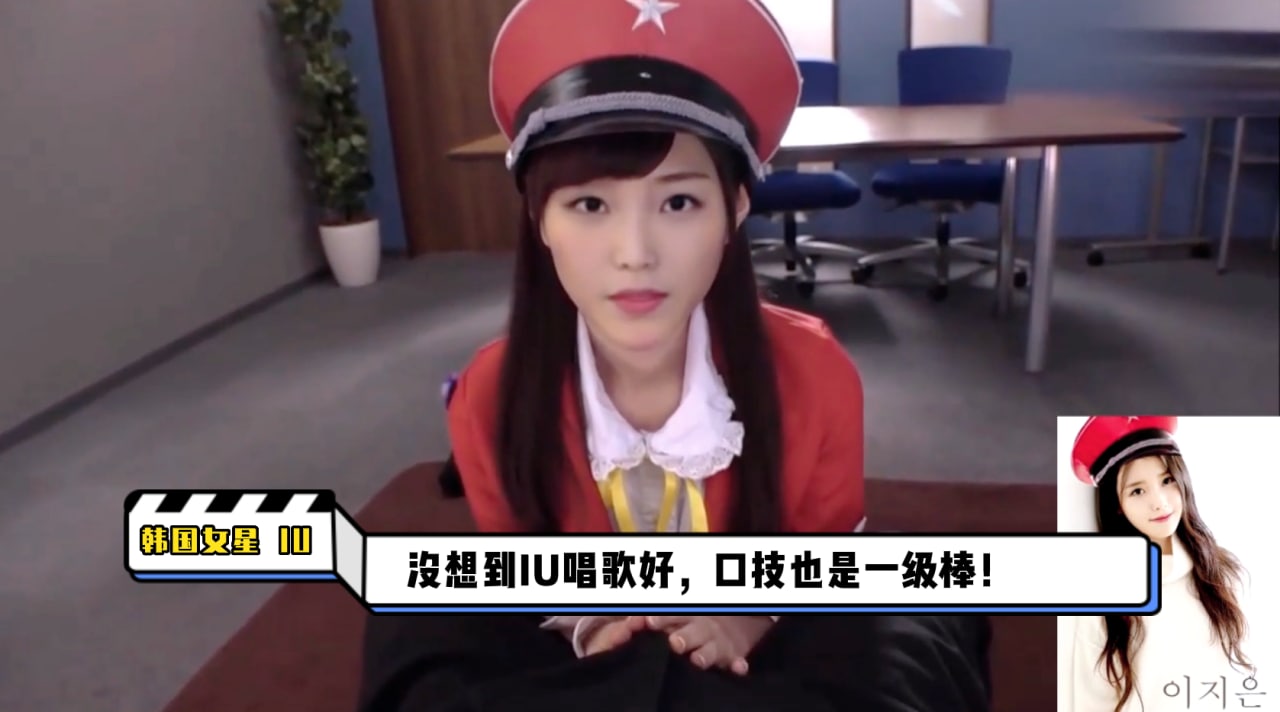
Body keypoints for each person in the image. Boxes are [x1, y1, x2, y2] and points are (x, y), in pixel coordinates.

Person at [358, 1, 992, 710]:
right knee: (412, 622)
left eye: (680, 203)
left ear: (735, 211)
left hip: (762, 645)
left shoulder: (815, 375)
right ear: (540, 219)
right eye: (590, 206)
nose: (635, 254)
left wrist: (749, 616)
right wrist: (591, 621)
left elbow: (823, 559)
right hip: (581, 646)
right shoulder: (490, 394)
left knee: (921, 619)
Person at [1062, 416, 1256, 712]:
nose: (1159, 502)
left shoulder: (1223, 572)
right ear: (1117, 506)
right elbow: (1091, 703)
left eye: (1167, 481)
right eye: (1137, 491)